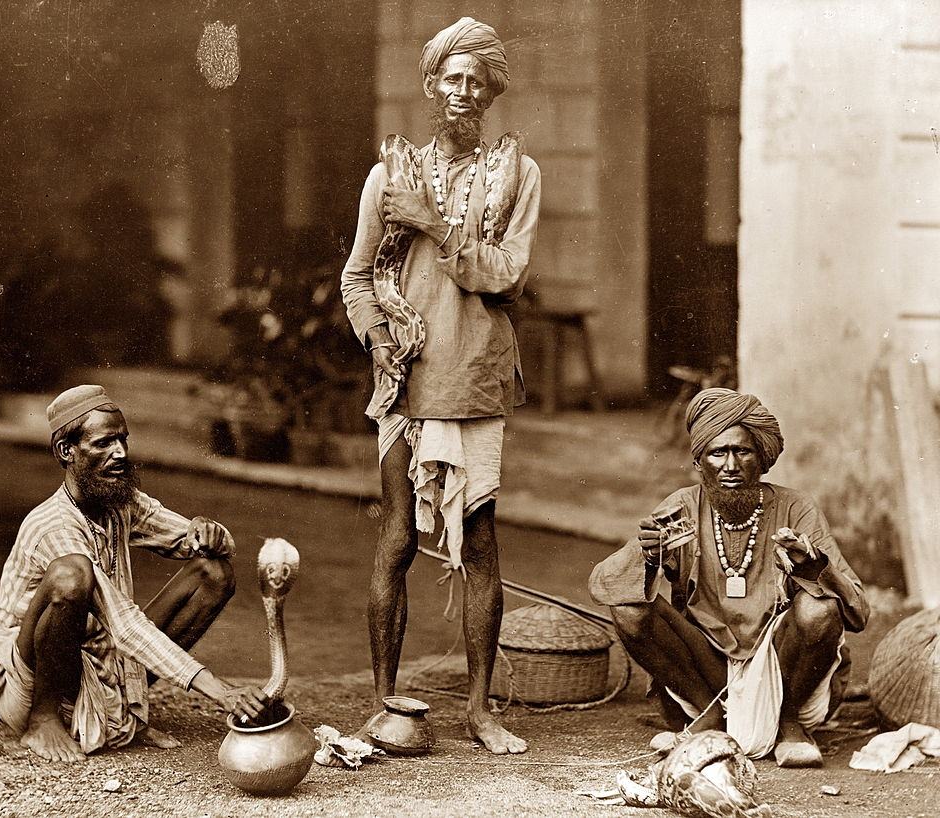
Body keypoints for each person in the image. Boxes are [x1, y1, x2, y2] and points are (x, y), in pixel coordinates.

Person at [340, 17, 540, 754]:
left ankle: (481, 712)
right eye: (451, 78)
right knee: (396, 538)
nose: (463, 91)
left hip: (478, 373)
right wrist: (377, 335)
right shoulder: (388, 176)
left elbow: (506, 273)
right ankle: (383, 701)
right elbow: (356, 278)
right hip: (406, 376)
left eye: (476, 80)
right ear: (431, 86)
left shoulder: (519, 175)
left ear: (491, 91)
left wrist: (433, 224)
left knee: (479, 540)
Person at [0, 385, 267, 762]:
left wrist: (210, 532)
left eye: (122, 440)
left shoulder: (120, 501)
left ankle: (121, 706)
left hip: (96, 656)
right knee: (73, 574)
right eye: (103, 443)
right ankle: (44, 721)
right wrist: (220, 691)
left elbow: (206, 544)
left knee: (213, 574)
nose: (120, 453)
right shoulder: (53, 525)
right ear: (66, 452)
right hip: (30, 679)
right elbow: (124, 623)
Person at [589, 388, 869, 767]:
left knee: (819, 611)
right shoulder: (681, 506)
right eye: (718, 452)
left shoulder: (795, 507)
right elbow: (605, 585)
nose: (731, 465)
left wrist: (812, 567)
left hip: (781, 665)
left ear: (762, 458)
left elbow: (858, 612)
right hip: (707, 669)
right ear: (699, 460)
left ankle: (789, 724)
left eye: (743, 451)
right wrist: (649, 557)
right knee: (629, 612)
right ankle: (709, 716)